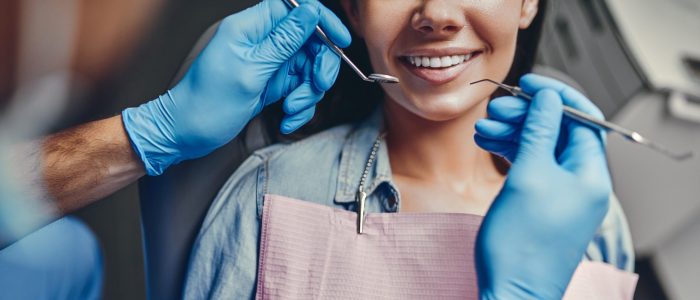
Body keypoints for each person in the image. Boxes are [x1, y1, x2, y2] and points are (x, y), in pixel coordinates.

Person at [0, 0, 629, 298]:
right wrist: (150, 132)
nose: (436, 13)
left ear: (527, 3)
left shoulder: (588, 213)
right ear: (353, 10)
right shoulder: (272, 196)